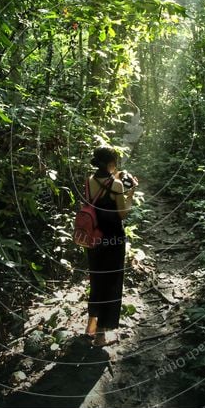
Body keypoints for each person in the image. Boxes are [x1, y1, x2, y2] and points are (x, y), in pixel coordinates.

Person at [84, 145, 137, 346]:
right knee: (111, 283)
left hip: (94, 238)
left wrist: (117, 175)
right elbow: (123, 213)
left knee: (96, 280)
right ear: (110, 163)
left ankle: (90, 325)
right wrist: (130, 192)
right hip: (113, 238)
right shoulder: (116, 185)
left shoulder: (89, 181)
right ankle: (100, 336)